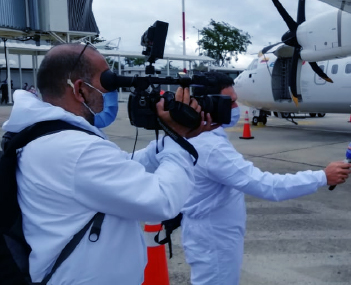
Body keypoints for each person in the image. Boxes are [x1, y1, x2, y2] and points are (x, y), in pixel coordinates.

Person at [1, 43, 214, 284]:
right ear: (80, 89)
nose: (110, 91)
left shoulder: (48, 136)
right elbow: (162, 201)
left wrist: (171, 138)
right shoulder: (74, 149)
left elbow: (122, 168)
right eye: (107, 82)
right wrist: (178, 140)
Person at [179, 72, 351, 285]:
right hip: (214, 240)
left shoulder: (194, 135)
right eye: (230, 102)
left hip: (209, 234)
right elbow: (267, 186)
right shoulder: (211, 147)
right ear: (208, 104)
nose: (236, 108)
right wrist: (322, 177)